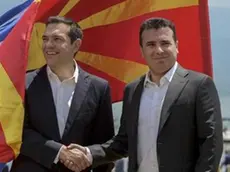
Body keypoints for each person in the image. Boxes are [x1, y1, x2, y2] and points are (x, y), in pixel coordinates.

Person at [66, 17, 223, 172]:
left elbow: (211, 144)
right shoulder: (132, 90)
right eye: (151, 44)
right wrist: (89, 153)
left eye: (165, 43)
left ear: (176, 46)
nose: (158, 50)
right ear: (142, 51)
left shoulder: (200, 85)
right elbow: (123, 142)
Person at [10, 16, 114, 172]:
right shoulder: (22, 83)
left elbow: (104, 144)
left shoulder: (99, 87)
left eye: (57, 39)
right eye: (45, 39)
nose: (48, 45)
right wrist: (59, 152)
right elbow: (16, 133)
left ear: (76, 45)